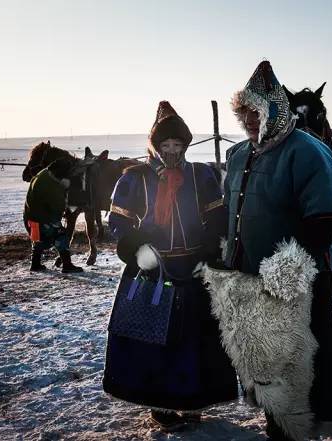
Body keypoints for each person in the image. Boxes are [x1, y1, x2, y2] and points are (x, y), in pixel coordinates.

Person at [221, 61, 332, 440]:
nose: (251, 121)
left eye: (258, 112)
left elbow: (325, 220)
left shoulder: (309, 152)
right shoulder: (239, 153)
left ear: (277, 110)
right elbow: (232, 210)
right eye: (244, 113)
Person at [102, 101, 238, 432]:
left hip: (193, 268)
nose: (172, 151)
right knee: (154, 338)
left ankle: (194, 399)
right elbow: (116, 221)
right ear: (155, 146)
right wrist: (136, 247)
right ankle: (159, 404)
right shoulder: (134, 178)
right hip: (151, 269)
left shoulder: (201, 174)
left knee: (196, 337)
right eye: (166, 145)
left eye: (178, 145)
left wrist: (212, 247)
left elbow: (217, 214)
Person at [23, 158, 83, 273]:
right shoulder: (53, 185)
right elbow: (58, 209)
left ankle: (35, 264)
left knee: (37, 240)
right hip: (43, 220)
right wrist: (66, 193)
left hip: (30, 218)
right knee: (61, 234)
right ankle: (67, 265)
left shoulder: (42, 174)